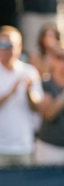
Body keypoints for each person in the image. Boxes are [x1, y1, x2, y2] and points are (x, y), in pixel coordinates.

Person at [0, 25, 42, 167]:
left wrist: (29, 92)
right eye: (2, 44)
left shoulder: (29, 71)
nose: (7, 49)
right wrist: (11, 91)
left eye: (11, 45)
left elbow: (37, 107)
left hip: (24, 146)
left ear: (19, 47)